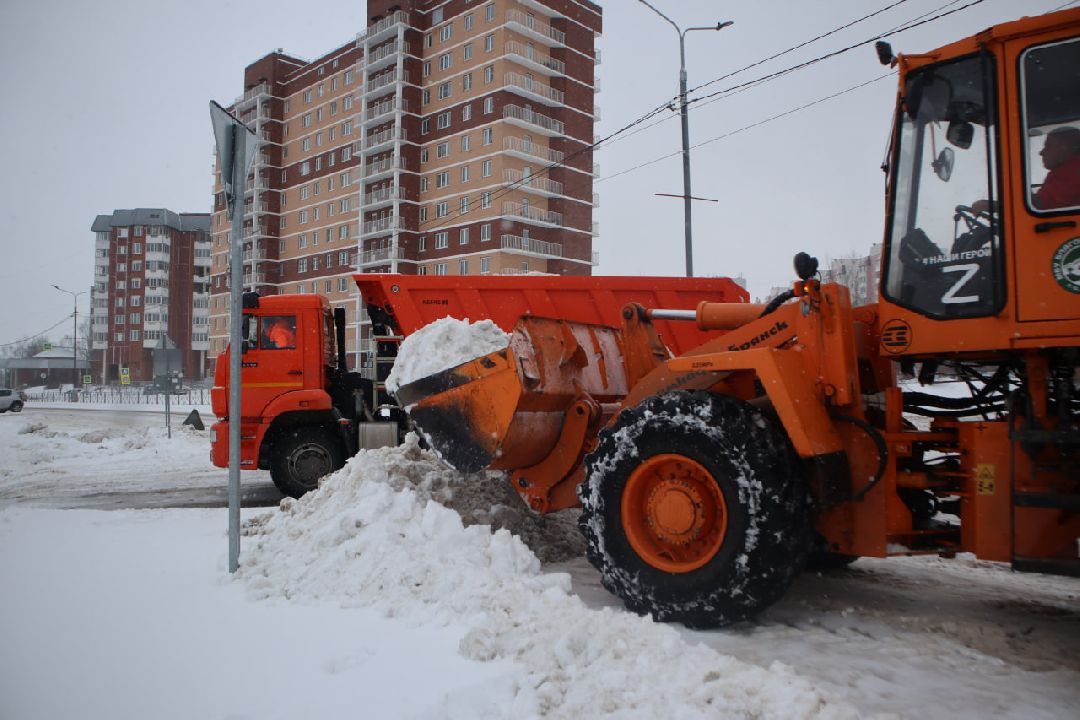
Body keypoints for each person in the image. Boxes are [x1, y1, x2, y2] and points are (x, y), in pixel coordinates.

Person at [1032, 126, 1080, 210]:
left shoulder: (1069, 174)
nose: (1041, 152)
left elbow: (1038, 206)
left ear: (1064, 148)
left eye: (1048, 146)